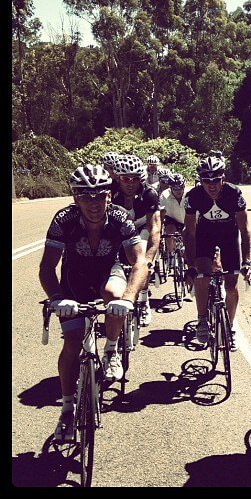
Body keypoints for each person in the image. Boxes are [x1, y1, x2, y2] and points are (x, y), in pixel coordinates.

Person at [39, 165, 148, 442]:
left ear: (109, 196)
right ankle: (66, 410)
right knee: (72, 342)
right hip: (73, 281)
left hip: (107, 273)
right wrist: (56, 299)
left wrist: (130, 299)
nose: (94, 203)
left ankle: (111, 350)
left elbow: (139, 262)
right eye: (86, 196)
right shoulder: (64, 219)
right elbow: (47, 268)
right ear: (75, 198)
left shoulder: (120, 218)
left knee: (114, 295)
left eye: (99, 196)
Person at [183, 155, 251, 350]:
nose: (211, 185)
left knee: (231, 283)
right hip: (204, 235)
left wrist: (246, 261)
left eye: (216, 180)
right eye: (206, 180)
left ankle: (229, 327)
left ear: (223, 178)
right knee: (202, 274)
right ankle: (202, 319)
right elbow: (189, 233)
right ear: (200, 181)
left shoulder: (234, 194)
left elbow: (245, 230)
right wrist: (190, 266)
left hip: (228, 235)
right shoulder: (193, 197)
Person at [111, 154, 161, 326]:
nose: (131, 183)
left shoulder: (149, 194)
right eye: (126, 178)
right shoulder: (110, 193)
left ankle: (144, 300)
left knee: (142, 258)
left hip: (140, 229)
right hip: (117, 229)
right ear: (118, 178)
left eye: (135, 178)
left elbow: (154, 228)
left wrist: (149, 257)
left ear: (141, 178)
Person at [159, 173, 188, 266]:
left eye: (181, 188)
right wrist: (159, 230)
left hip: (186, 218)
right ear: (170, 188)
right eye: (175, 188)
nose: (179, 191)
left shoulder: (189, 194)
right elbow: (162, 213)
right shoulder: (164, 195)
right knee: (169, 232)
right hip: (172, 218)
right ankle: (171, 254)